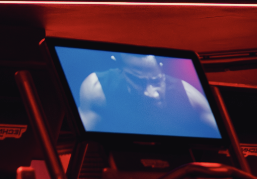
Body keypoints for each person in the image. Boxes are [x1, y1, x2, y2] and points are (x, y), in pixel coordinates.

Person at [76, 52, 216, 135]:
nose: (152, 94)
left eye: (156, 81)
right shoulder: (98, 87)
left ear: (161, 70)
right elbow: (84, 143)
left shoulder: (187, 94)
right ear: (122, 71)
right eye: (138, 81)